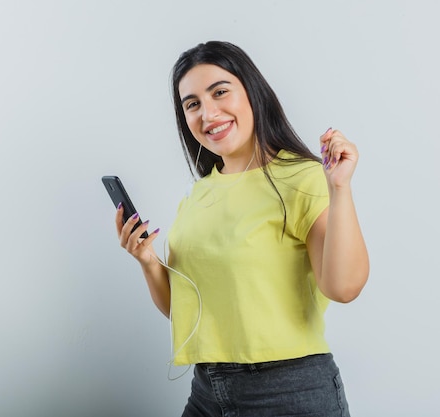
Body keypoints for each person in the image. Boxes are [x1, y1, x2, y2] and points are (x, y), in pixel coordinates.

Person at [113, 41, 369, 417]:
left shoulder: (303, 177)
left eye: (219, 92)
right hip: (207, 391)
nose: (208, 113)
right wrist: (148, 262)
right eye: (193, 104)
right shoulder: (198, 193)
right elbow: (189, 313)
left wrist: (340, 188)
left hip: (288, 392)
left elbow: (344, 287)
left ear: (252, 91)